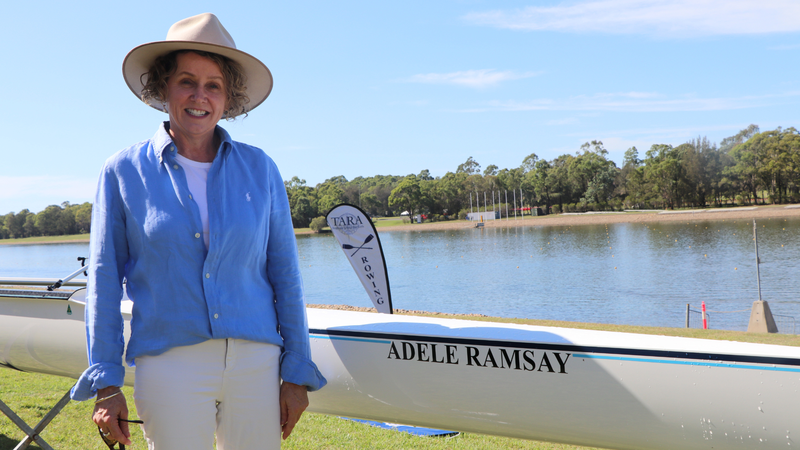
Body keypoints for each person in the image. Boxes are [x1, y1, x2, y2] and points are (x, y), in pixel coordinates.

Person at [70, 13, 326, 449]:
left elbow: (286, 276)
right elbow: (105, 285)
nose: (199, 96)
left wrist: (296, 372)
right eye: (187, 81)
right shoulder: (122, 173)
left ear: (228, 97)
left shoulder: (260, 168)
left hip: (257, 365)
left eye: (213, 86)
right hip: (170, 365)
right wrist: (107, 383)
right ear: (162, 87)